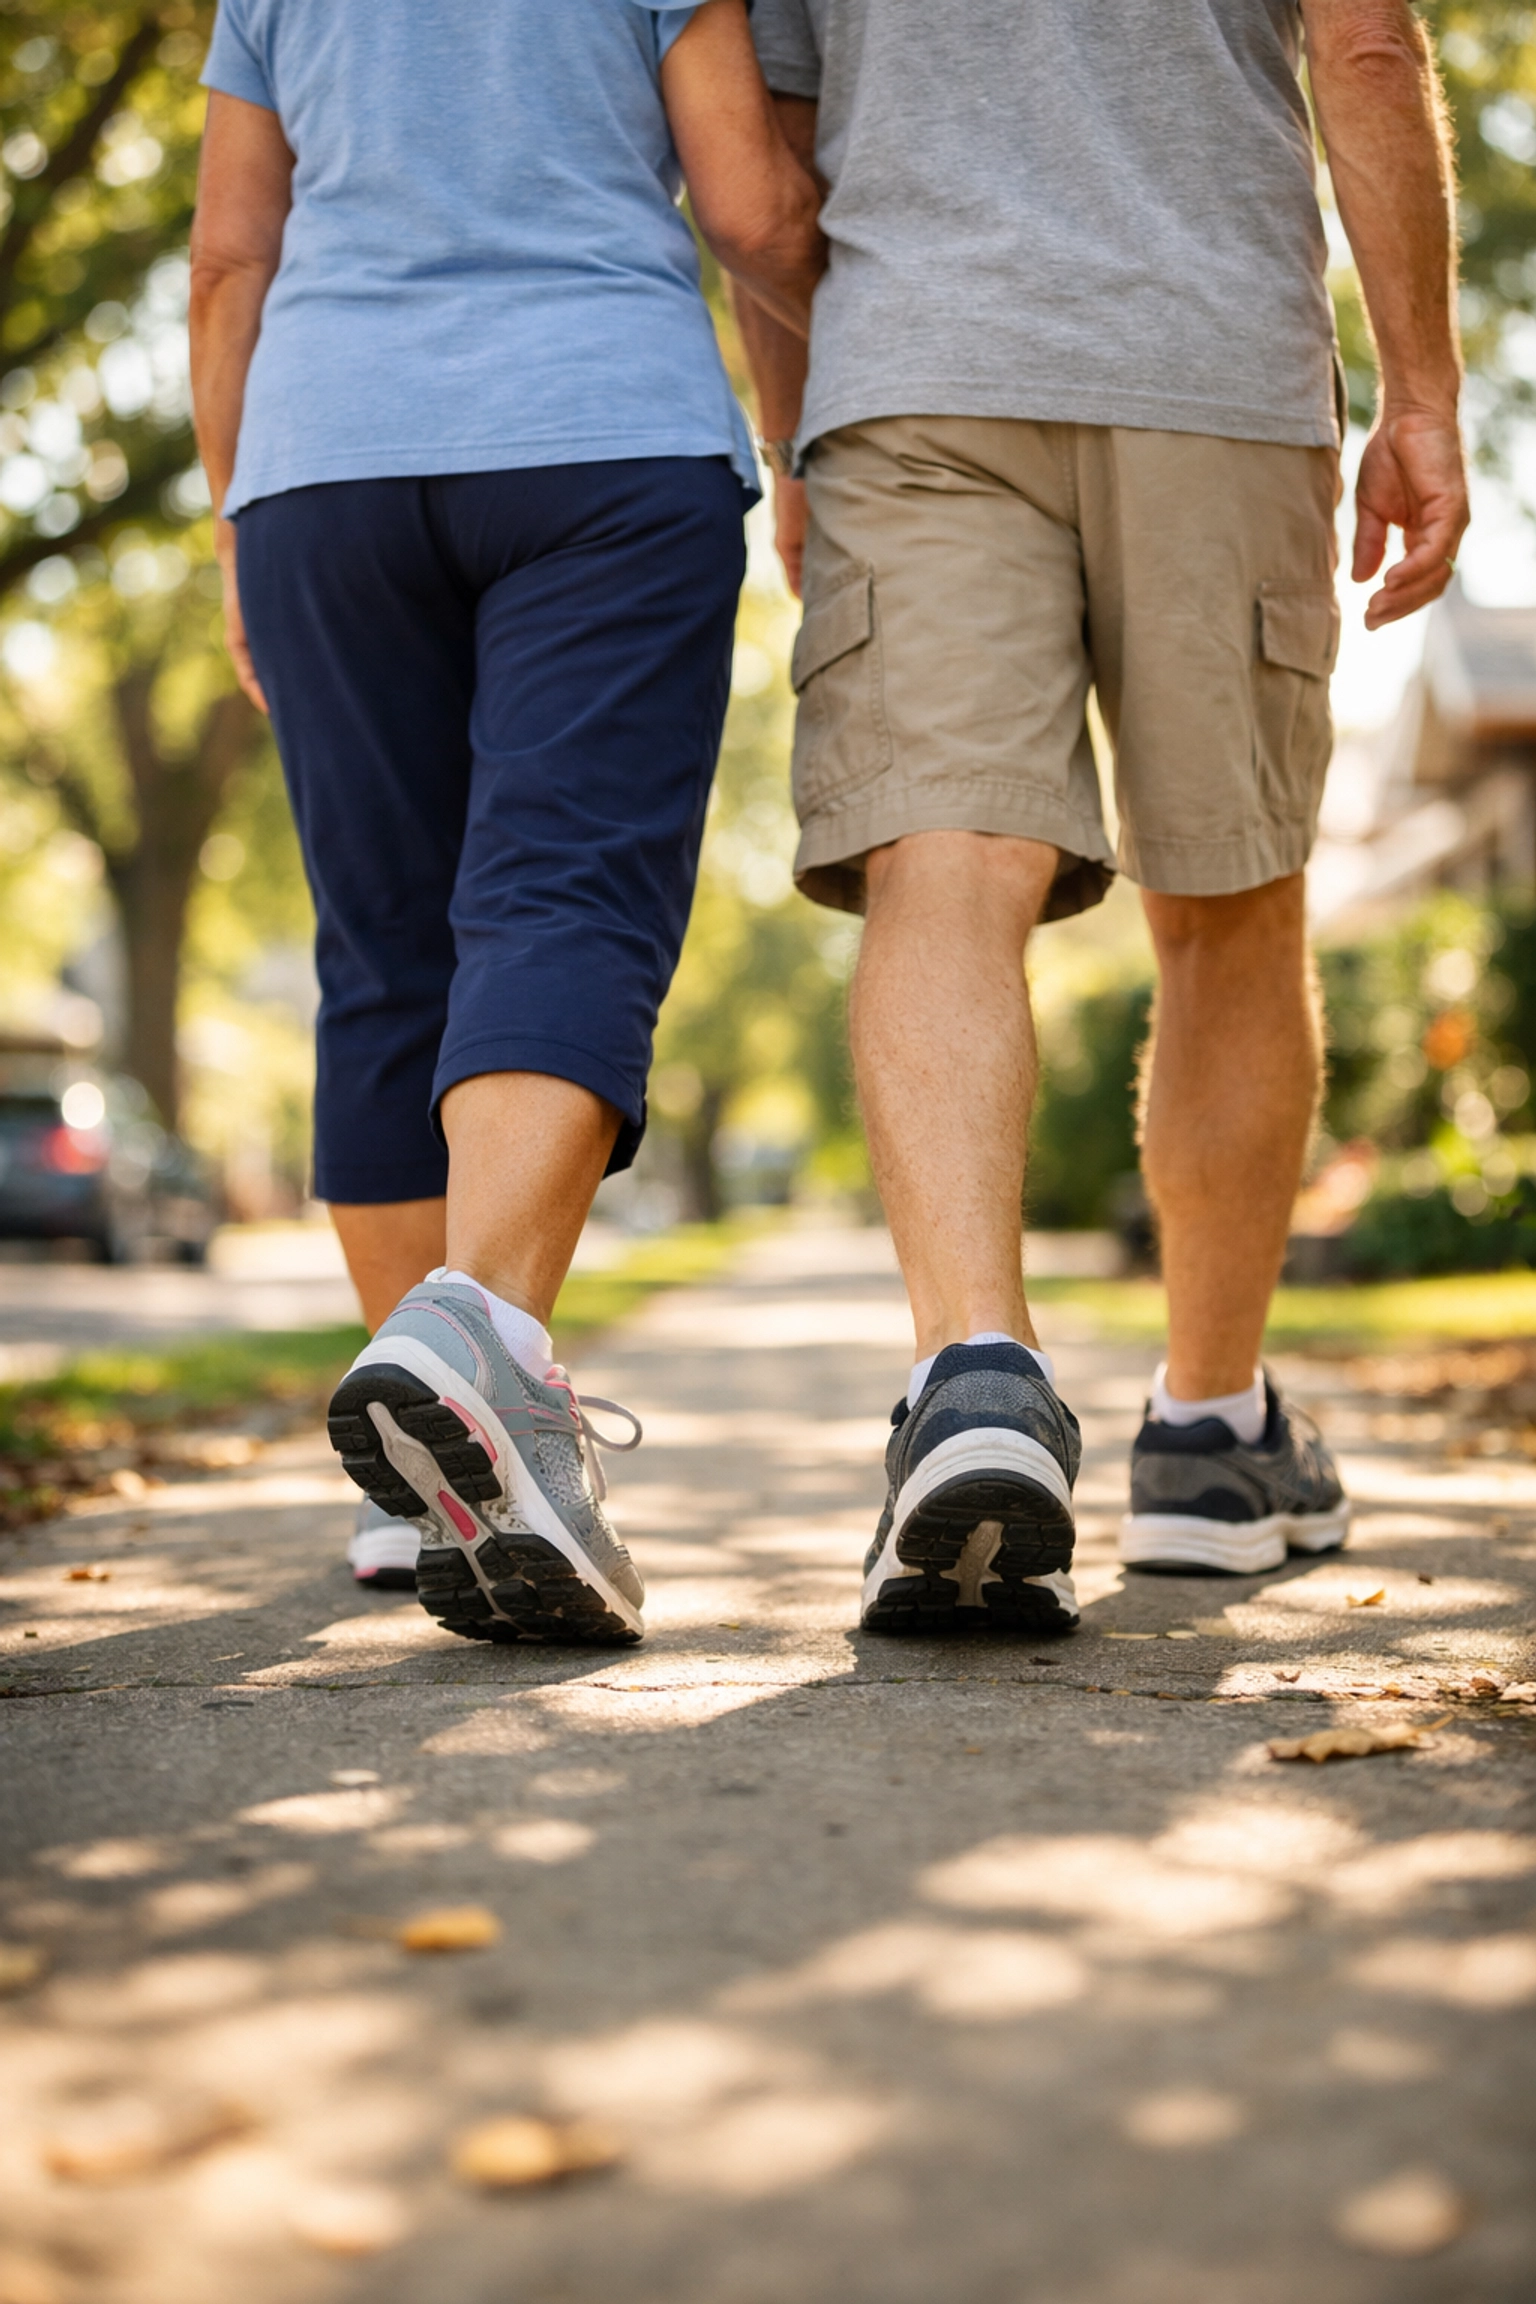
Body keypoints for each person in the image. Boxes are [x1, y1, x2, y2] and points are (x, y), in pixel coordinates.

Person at [738, 0, 1469, 1631]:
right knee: (1229, 902)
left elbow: (765, 172)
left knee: (943, 861)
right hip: (1213, 361)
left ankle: (975, 1382)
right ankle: (1209, 1435)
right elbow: (1364, 48)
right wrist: (1421, 392)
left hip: (915, 372)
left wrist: (795, 433)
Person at [190, 0, 822, 1635]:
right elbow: (753, 210)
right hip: (604, 435)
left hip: (321, 462)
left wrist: (238, 517)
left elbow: (229, 255)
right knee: (564, 899)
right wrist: (820, 412)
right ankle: (484, 1375)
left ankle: (421, 1483)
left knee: (382, 948)